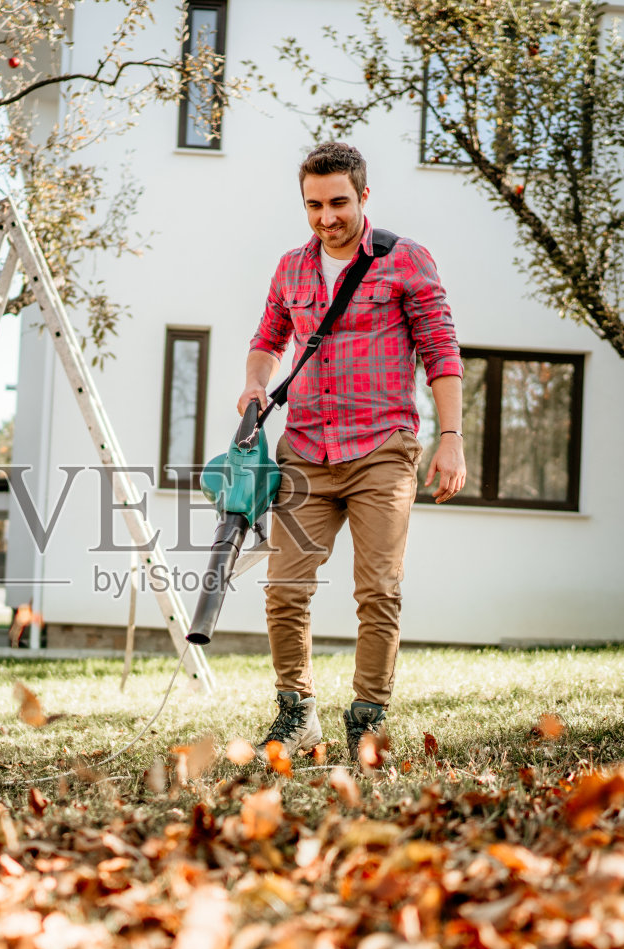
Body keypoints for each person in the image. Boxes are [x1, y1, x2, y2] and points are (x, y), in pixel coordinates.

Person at [237, 142, 465, 764]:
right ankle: (296, 715)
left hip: (383, 450)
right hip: (306, 449)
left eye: (338, 202)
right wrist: (258, 379)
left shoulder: (405, 261)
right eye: (314, 204)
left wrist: (450, 439)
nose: (326, 217)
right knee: (284, 588)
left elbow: (442, 353)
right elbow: (268, 338)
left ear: (364, 196)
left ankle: (367, 721)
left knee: (379, 590)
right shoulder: (291, 268)